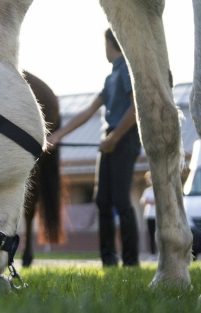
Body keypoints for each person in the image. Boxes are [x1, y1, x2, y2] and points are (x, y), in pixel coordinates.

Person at [47, 28, 141, 267]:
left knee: (121, 200)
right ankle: (108, 260)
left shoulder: (128, 71)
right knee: (102, 201)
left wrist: (115, 138)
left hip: (123, 139)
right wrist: (57, 135)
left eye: (105, 43)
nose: (104, 49)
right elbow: (88, 112)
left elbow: (135, 109)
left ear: (111, 44)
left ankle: (131, 262)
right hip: (108, 140)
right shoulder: (111, 78)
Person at [140, 171, 156, 255]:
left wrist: (149, 201)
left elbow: (157, 202)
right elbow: (143, 201)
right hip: (149, 215)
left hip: (157, 216)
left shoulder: (158, 190)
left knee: (159, 235)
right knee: (151, 235)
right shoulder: (147, 191)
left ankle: (159, 253)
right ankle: (152, 254)